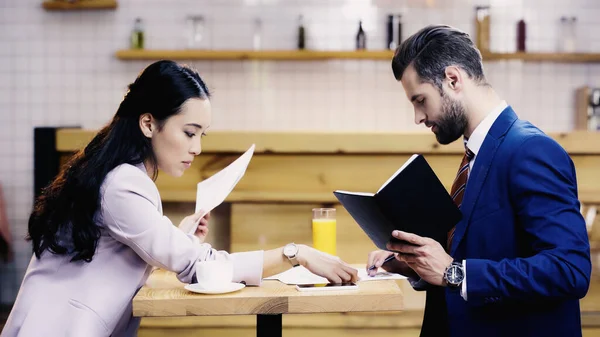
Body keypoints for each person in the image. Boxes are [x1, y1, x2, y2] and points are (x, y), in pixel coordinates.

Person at [3, 60, 358, 337]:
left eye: (202, 134)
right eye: (189, 133)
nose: (197, 148)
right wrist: (295, 254)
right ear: (148, 124)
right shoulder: (123, 183)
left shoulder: (115, 174)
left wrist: (179, 237)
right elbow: (199, 267)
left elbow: (120, 251)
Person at [366, 25, 591, 337]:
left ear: (453, 79)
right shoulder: (477, 153)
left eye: (420, 100)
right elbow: (479, 252)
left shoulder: (531, 150)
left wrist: (452, 272)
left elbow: (569, 270)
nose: (418, 117)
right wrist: (416, 263)